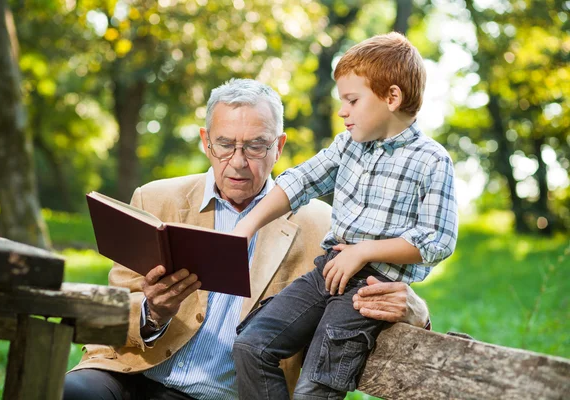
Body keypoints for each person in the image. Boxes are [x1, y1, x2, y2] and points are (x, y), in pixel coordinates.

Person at [63, 78, 431, 400]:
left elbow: (371, 291)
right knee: (64, 392)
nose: (238, 162)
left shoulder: (325, 226)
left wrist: (416, 311)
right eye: (225, 145)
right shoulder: (155, 199)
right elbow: (116, 310)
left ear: (279, 146)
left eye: (255, 146)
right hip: (130, 376)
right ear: (206, 142)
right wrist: (151, 312)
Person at [232, 33, 458, 400]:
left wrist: (364, 251)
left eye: (352, 100)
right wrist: (246, 225)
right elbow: (300, 180)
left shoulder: (431, 160)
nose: (342, 111)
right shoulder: (348, 146)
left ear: (392, 97)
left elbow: (437, 240)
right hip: (330, 269)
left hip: (370, 292)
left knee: (314, 390)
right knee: (251, 346)